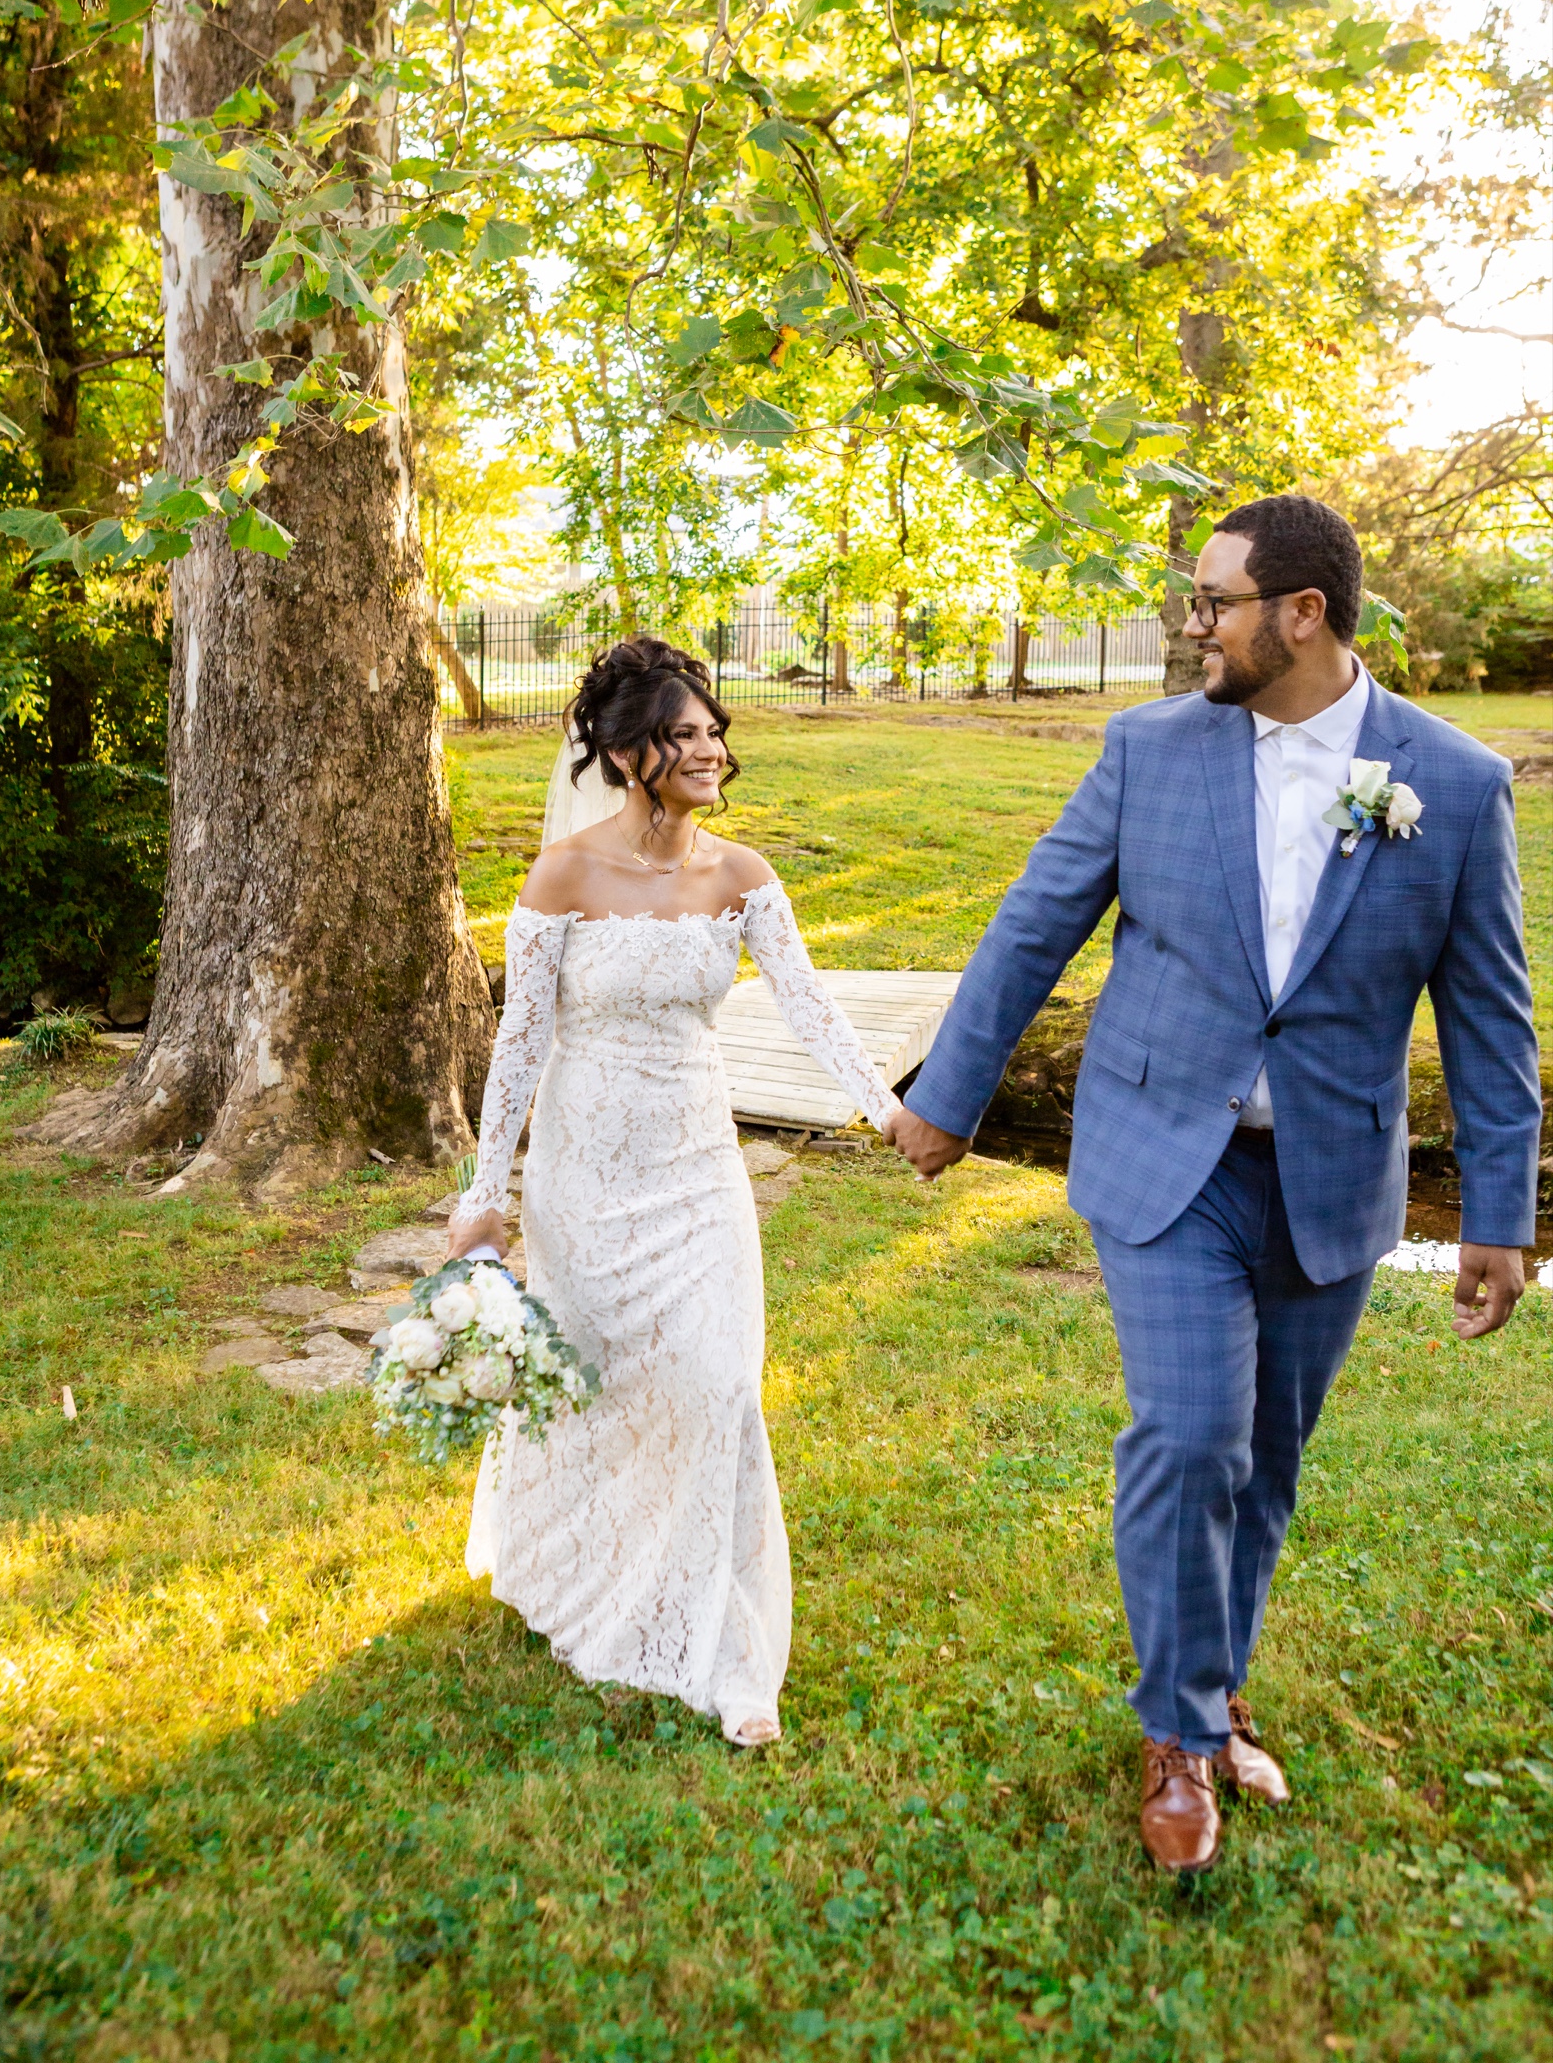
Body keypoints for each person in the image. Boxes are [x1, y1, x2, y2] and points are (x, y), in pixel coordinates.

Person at [887, 495, 1541, 1873]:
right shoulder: (1146, 752)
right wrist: (947, 1096)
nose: (1195, 624)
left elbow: (1490, 1018)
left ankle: (1214, 1677)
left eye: (1215, 602)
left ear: (1301, 616)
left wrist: (1497, 1213)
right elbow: (1032, 924)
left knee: (1269, 1461)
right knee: (1192, 1438)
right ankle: (1179, 1736)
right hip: (1162, 1155)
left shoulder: (1459, 785)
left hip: (1332, 1174)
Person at [449, 636, 904, 1746]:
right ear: (620, 752)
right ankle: (579, 1575)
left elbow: (811, 1009)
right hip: (583, 1169)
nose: (705, 749)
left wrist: (889, 1112)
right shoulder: (564, 877)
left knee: (712, 1384)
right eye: (679, 733)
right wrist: (484, 1193)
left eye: (712, 732)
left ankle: (718, 1640)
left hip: (696, 1169)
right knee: (595, 1385)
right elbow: (518, 1046)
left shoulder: (741, 878)